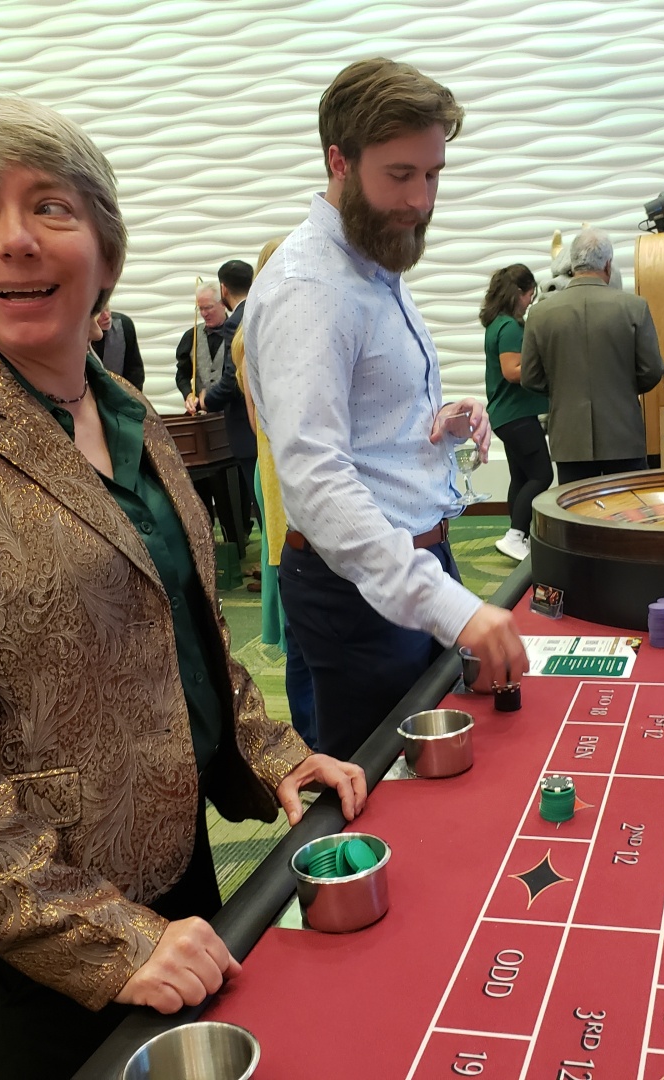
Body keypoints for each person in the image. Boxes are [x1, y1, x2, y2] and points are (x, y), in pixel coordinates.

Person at [0, 96, 365, 1080]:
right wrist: (107, 938)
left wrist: (273, 753)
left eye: (50, 207)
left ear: (105, 250)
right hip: (26, 925)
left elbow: (184, 629)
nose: (14, 239)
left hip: (173, 865)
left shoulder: (132, 413)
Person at [244, 57, 529, 760]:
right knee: (391, 796)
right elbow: (314, 480)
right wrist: (452, 608)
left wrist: (435, 421)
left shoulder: (371, 260)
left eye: (431, 175)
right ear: (338, 161)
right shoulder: (312, 285)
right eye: (399, 175)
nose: (420, 199)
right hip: (361, 589)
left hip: (407, 569)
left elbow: (366, 422)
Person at [216, 238, 317, 748]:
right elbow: (274, 423)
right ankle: (309, 739)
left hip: (278, 471)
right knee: (301, 618)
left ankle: (313, 734)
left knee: (308, 623)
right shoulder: (259, 331)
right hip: (280, 478)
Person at [520, 227, 664, 483]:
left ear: (573, 264)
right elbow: (652, 370)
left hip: (569, 438)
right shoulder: (635, 307)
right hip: (623, 435)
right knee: (627, 515)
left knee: (575, 516)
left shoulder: (540, 314)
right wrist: (622, 386)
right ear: (608, 266)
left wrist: (563, 390)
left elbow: (530, 378)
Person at [480, 263, 551, 562]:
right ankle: (514, 535)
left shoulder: (496, 324)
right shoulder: (509, 326)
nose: (530, 302)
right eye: (530, 295)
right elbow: (512, 371)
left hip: (506, 415)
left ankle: (518, 536)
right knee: (542, 475)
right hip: (516, 414)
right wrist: (548, 370)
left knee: (521, 478)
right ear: (520, 293)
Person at [176, 283, 252, 532]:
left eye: (209, 307)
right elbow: (182, 374)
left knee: (236, 483)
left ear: (223, 303)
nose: (205, 313)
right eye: (200, 309)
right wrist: (188, 394)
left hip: (231, 418)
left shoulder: (237, 330)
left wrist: (212, 398)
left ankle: (239, 529)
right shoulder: (191, 337)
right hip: (203, 424)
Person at [90, 304, 144, 389]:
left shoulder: (123, 326)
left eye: (107, 309)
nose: (107, 316)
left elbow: (135, 373)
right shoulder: (75, 336)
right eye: (99, 313)